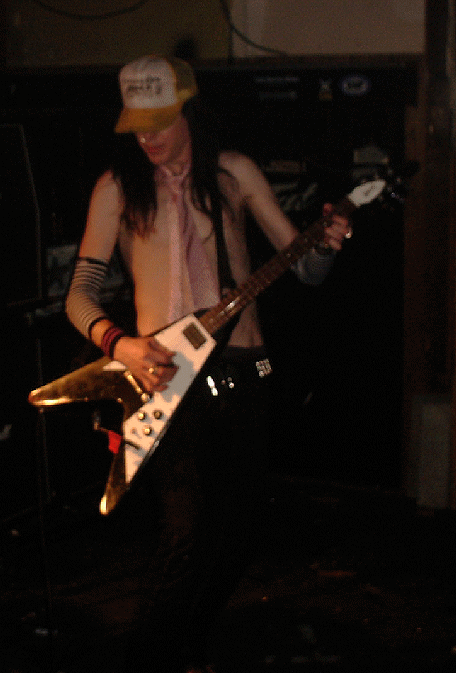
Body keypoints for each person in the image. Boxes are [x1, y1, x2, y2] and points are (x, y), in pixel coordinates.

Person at [65, 55, 352, 673]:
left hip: (243, 370)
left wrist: (327, 244)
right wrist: (122, 344)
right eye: (137, 126)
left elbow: (306, 269)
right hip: (164, 378)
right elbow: (79, 295)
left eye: (160, 123)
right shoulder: (116, 187)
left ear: (190, 111)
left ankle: (186, 643)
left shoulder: (233, 172)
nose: (147, 138)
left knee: (240, 531)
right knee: (186, 532)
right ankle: (148, 657)